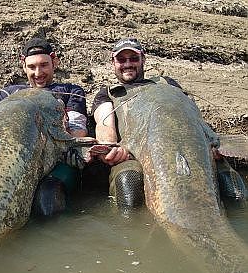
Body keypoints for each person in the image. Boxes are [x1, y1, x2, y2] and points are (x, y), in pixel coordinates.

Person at [91, 37, 247, 206]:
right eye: (121, 59)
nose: (128, 64)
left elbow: (191, 113)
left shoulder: (167, 83)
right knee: (128, 181)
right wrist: (110, 147)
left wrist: (208, 140)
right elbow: (104, 121)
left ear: (143, 59)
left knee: (233, 189)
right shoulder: (108, 93)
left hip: (190, 148)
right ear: (113, 62)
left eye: (134, 58)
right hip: (134, 155)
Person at [0, 37, 88, 216]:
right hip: (15, 164)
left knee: (47, 198)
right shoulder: (6, 94)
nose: (38, 73)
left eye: (44, 65)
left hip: (59, 163)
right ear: (23, 65)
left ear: (55, 61)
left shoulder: (71, 91)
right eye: (32, 67)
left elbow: (78, 130)